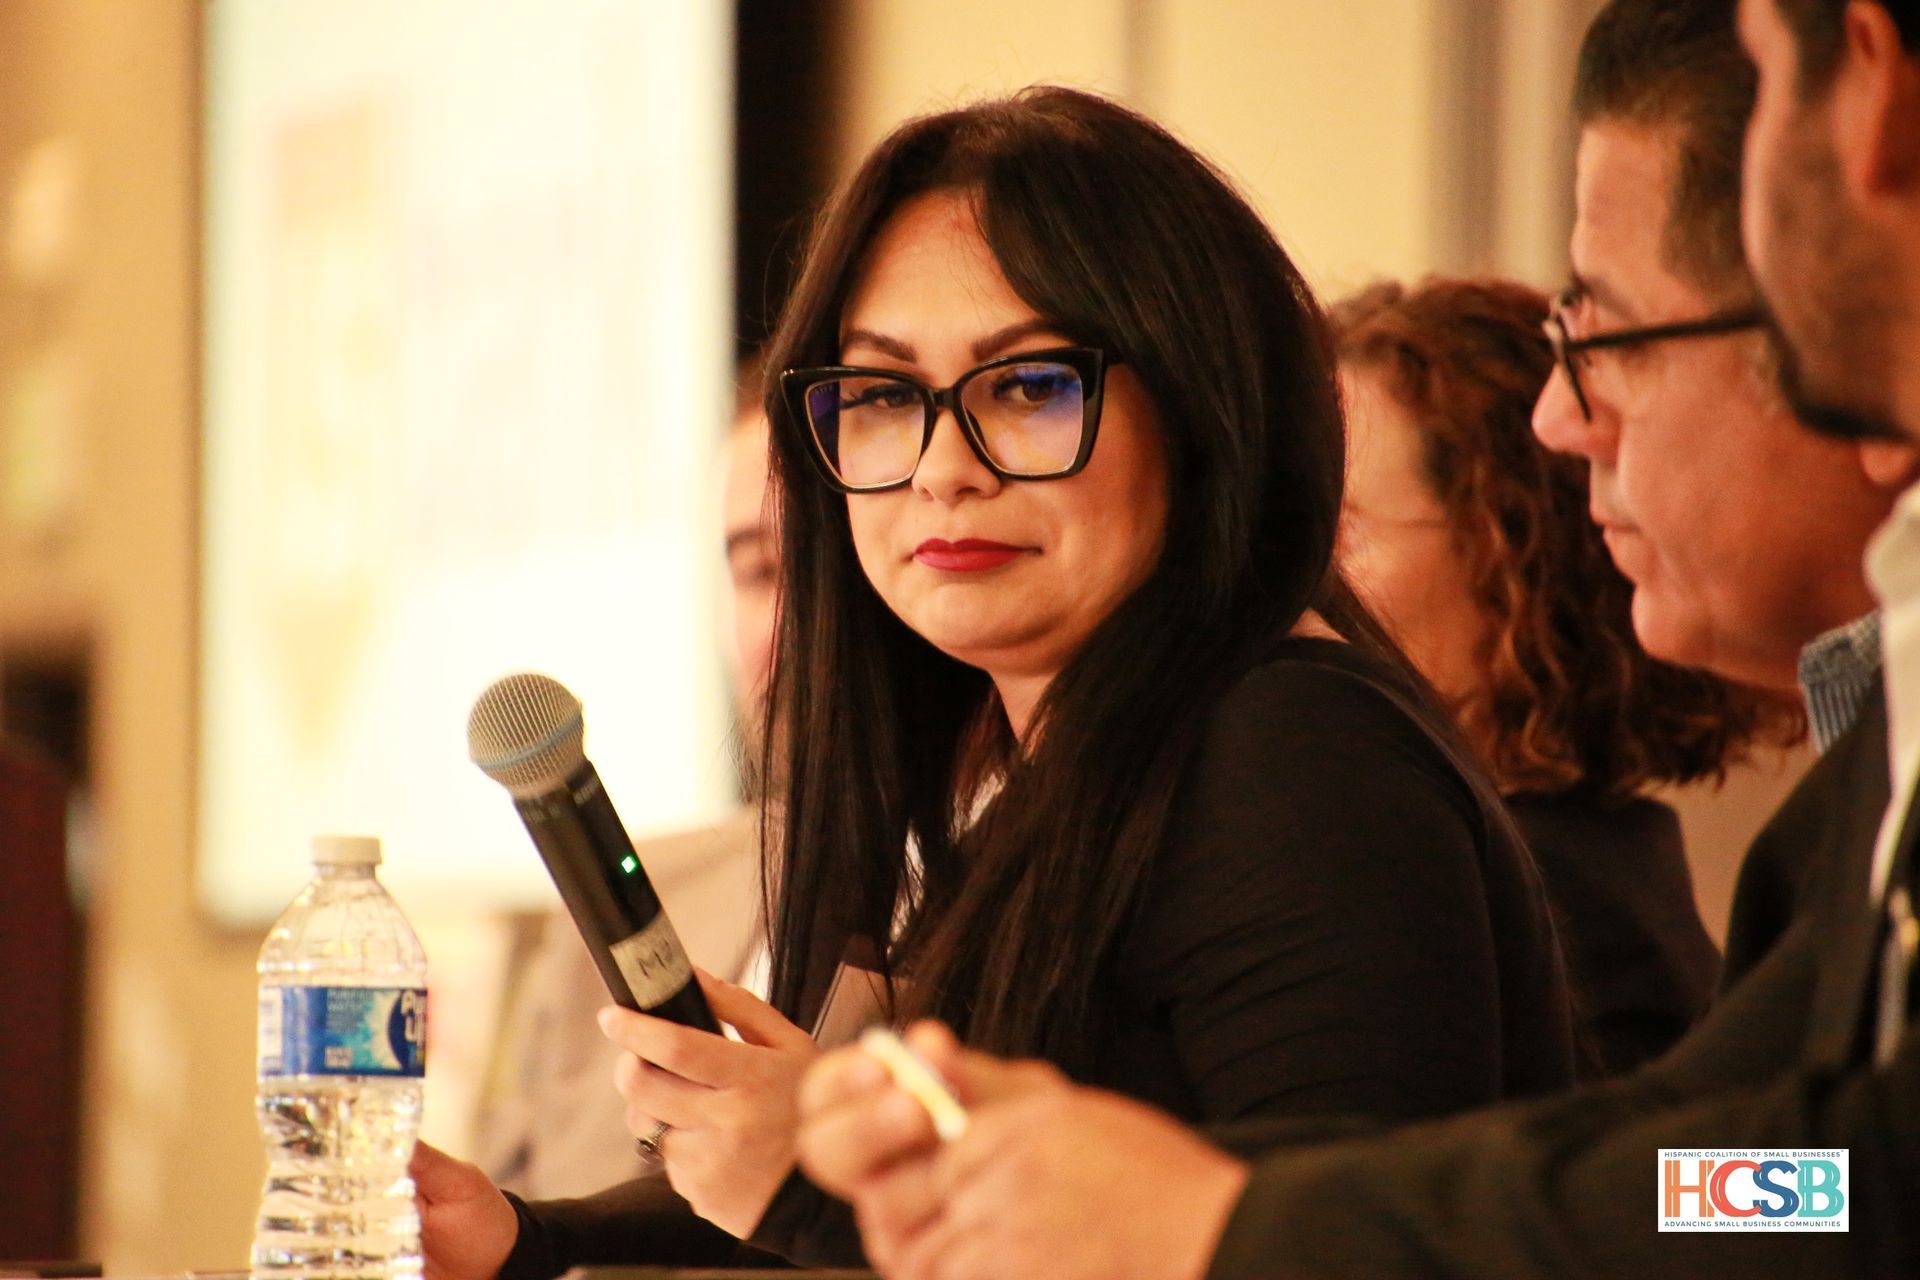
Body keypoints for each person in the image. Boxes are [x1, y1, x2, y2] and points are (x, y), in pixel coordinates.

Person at [794, 2, 1920, 1275]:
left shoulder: (1290, 748)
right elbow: (1760, 1174)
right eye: (882, 394)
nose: (1562, 416)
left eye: (1605, 336)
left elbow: (1846, 1177)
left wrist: (1214, 1217)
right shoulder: (1863, 777)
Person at [411, 85, 1578, 1273]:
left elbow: (1328, 1251)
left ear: (1199, 408)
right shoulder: (1038, 778)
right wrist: (529, 1237)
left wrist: (815, 1197)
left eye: (1027, 387)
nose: (943, 468)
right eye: (881, 396)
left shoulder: (1295, 754)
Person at [1335, 276, 1793, 1075]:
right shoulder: (1556, 858)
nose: (1290, 576)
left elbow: (1738, 1201)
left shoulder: (1556, 900)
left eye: (1340, 530)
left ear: (1515, 563)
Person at [473, 396, 778, 1199]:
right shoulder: (609, 914)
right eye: (760, 573)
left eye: (831, 571)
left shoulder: (988, 908)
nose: (796, 622)